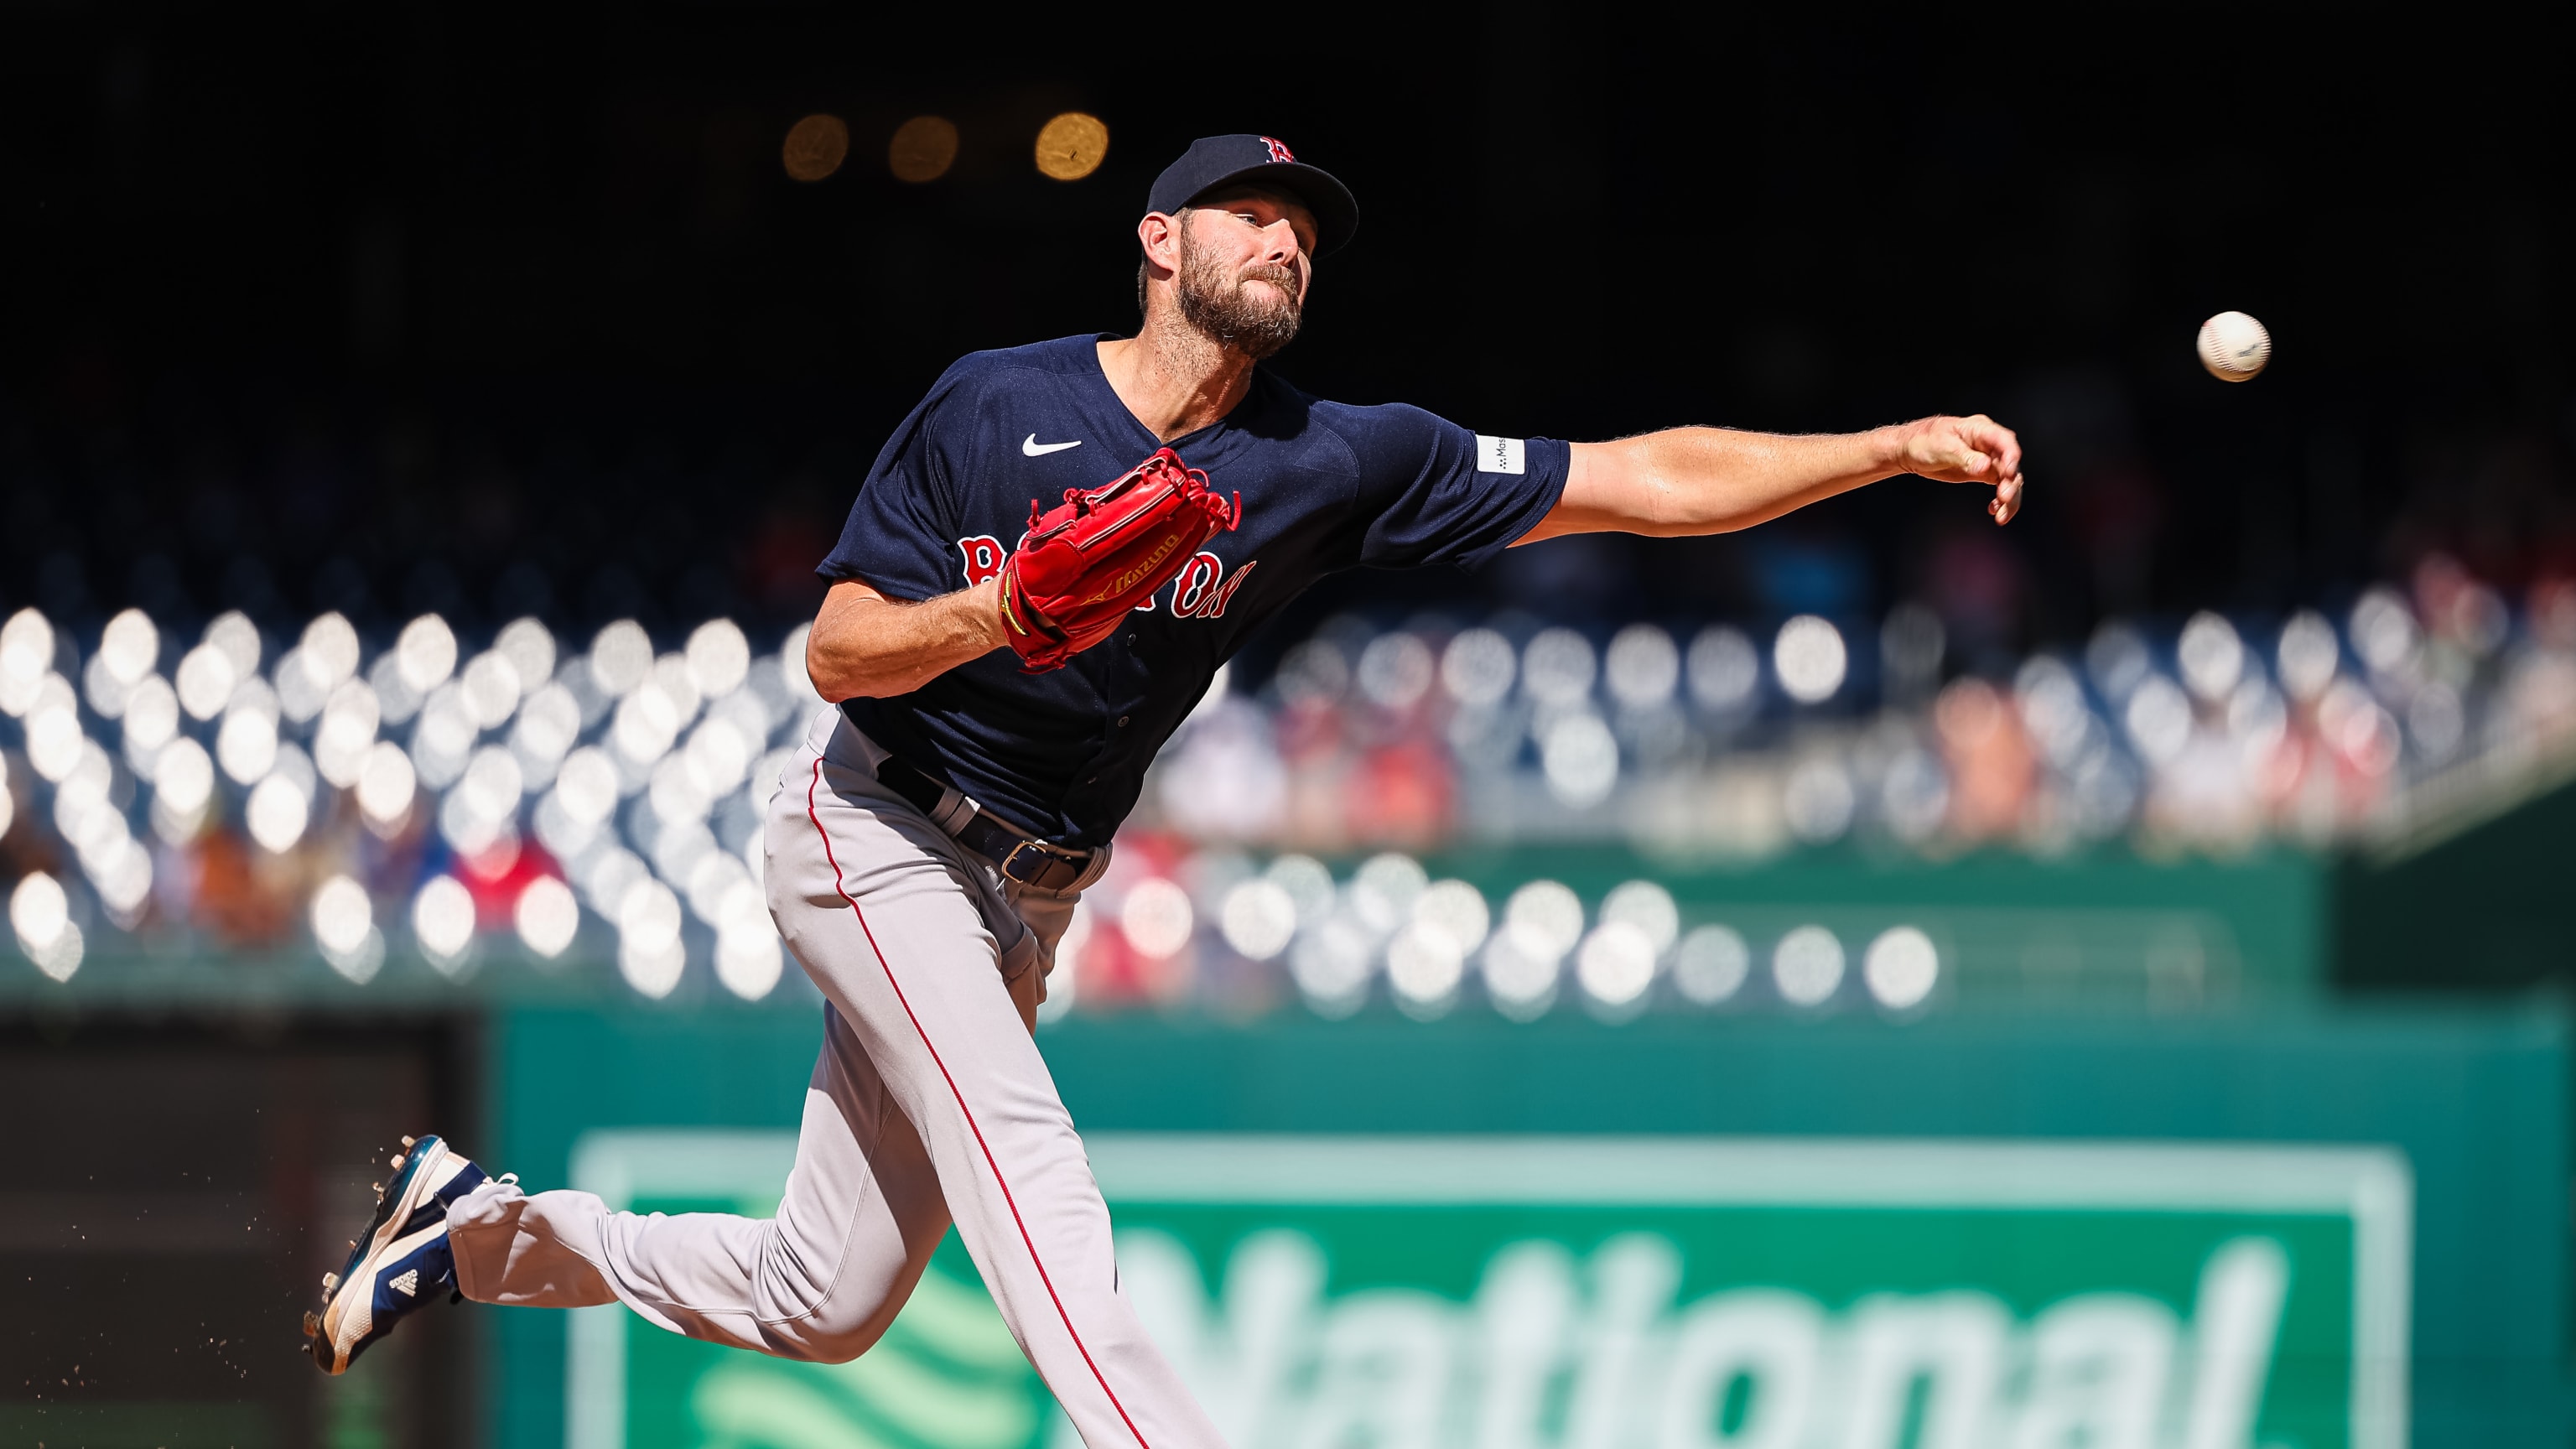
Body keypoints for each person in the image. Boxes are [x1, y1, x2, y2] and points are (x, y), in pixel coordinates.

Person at [305, 134, 2024, 1444]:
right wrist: (997, 609)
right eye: (1253, 211)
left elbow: (1639, 479)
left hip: (1028, 896)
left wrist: (1879, 450)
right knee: (1029, 1164)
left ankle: (478, 1233)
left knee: (823, 1301)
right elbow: (835, 653)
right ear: (1159, 239)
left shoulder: (1330, 457)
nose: (1288, 239)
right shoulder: (999, 407)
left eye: (1308, 230)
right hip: (878, 829)